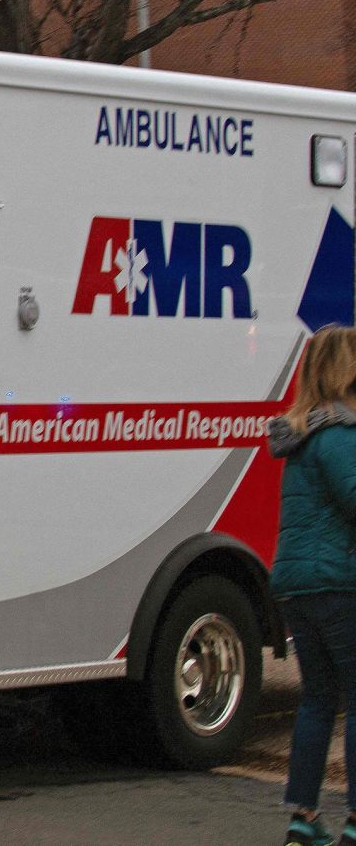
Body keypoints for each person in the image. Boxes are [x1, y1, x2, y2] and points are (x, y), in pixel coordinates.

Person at [268, 324, 356, 846]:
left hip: (297, 584)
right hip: (339, 583)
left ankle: (303, 816)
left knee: (319, 699)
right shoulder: (339, 435)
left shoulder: (299, 437)